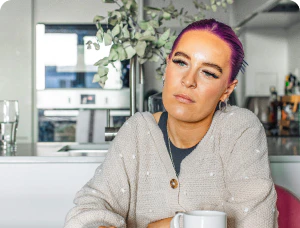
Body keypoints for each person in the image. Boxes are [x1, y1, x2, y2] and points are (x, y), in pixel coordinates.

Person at [64, 19, 278, 228]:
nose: (188, 80)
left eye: (208, 73)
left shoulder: (240, 128)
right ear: (167, 66)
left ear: (227, 90)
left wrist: (174, 224)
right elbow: (90, 206)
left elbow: (256, 221)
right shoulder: (137, 131)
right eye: (181, 62)